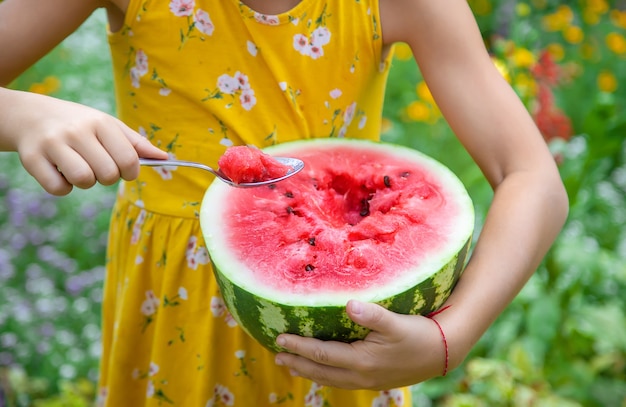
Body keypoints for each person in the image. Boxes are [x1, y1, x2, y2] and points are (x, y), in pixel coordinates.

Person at [0, 0, 569, 406]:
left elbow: (532, 177)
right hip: (174, 315)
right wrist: (24, 114)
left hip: (343, 339)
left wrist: (452, 336)